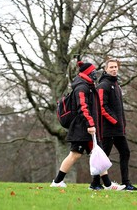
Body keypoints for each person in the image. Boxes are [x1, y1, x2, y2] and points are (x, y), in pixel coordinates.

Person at [50, 61, 125, 191]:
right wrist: (90, 124)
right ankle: (57, 182)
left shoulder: (88, 86)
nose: (95, 73)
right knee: (75, 154)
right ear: (87, 73)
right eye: (93, 71)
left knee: (98, 153)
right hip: (82, 129)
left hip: (87, 129)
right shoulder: (81, 87)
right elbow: (83, 108)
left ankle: (106, 185)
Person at [90, 58, 137, 191]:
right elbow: (101, 107)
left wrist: (121, 124)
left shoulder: (117, 85)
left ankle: (126, 184)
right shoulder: (103, 85)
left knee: (125, 152)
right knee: (103, 156)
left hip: (118, 129)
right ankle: (95, 183)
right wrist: (114, 120)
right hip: (108, 129)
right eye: (111, 67)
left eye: (115, 67)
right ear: (106, 69)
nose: (114, 69)